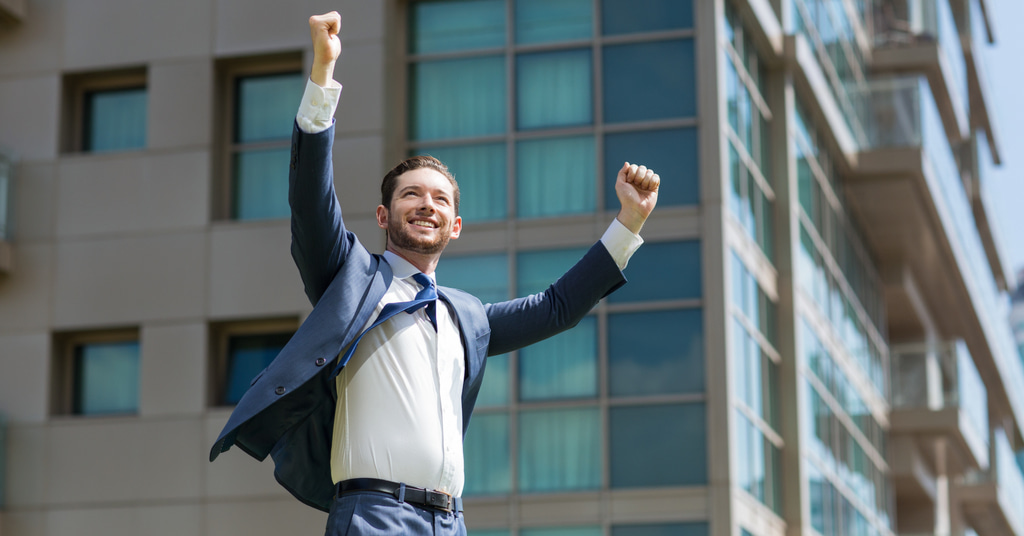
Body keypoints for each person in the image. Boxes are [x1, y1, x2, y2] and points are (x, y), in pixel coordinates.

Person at [209, 11, 661, 536]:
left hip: (449, 522)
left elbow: (558, 306)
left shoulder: (467, 316)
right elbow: (310, 201)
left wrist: (628, 222)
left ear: (456, 225)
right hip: (374, 515)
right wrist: (322, 79)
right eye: (411, 195)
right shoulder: (350, 279)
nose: (427, 205)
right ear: (383, 216)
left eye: (440, 199)